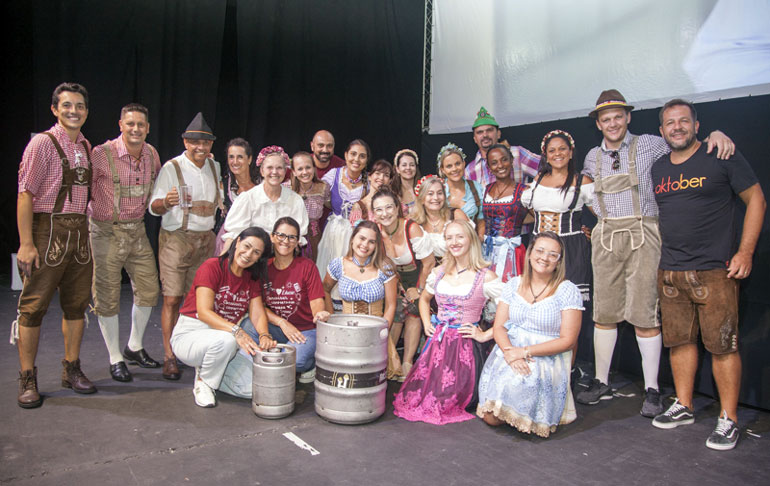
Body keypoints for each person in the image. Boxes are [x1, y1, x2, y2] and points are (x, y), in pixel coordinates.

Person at [576, 89, 735, 418]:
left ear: (628, 117)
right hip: (607, 235)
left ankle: (652, 388)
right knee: (604, 311)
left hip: (643, 232)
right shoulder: (592, 156)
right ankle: (602, 380)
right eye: (606, 119)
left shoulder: (651, 143)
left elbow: (686, 145)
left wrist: (714, 135)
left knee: (644, 310)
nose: (613, 123)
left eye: (618, 116)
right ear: (598, 123)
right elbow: (586, 192)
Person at [650, 99, 765, 451]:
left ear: (697, 126)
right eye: (670, 123)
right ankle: (684, 405)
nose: (678, 127)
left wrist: (745, 251)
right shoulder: (658, 168)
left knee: (723, 346)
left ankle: (728, 419)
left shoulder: (721, 155)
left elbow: (757, 199)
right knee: (680, 342)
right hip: (671, 270)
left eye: (684, 121)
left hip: (716, 271)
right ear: (662, 130)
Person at [15, 82, 96, 408]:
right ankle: (26, 376)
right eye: (66, 105)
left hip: (79, 233)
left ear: (86, 111)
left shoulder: (86, 146)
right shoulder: (42, 144)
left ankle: (71, 368)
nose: (73, 111)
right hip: (47, 230)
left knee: (77, 305)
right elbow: (25, 194)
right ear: (54, 109)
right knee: (33, 307)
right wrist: (26, 243)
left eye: (79, 106)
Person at [393, 220, 501, 424]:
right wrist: (426, 324)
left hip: (466, 348)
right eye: (449, 237)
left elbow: (511, 307)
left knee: (449, 398)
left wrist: (487, 334)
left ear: (471, 239)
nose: (454, 242)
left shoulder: (485, 276)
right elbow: (424, 299)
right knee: (421, 397)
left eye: (460, 236)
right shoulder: (439, 272)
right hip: (438, 345)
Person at [477, 232, 584, 438]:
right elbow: (499, 327)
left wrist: (524, 352)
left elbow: (568, 340)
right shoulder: (513, 284)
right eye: (540, 251)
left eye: (553, 255)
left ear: (559, 261)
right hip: (511, 349)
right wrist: (509, 352)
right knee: (491, 416)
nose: (545, 258)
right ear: (529, 253)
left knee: (524, 398)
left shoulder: (567, 290)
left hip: (546, 355)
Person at [89, 103, 162, 382]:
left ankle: (134, 347)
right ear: (121, 125)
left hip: (137, 230)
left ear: (147, 127)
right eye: (130, 124)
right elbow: (85, 191)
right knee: (106, 296)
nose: (135, 129)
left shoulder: (151, 154)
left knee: (148, 289)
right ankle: (114, 357)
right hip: (106, 231)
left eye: (140, 124)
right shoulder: (100, 154)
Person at [149, 112, 223, 381]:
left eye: (205, 143)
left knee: (200, 302)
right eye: (194, 142)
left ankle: (193, 351)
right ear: (185, 142)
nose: (200, 148)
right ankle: (169, 355)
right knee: (172, 298)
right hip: (177, 239)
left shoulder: (215, 167)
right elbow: (153, 207)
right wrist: (166, 202)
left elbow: (220, 200)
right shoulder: (172, 168)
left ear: (211, 144)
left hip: (206, 241)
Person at [170, 227, 276, 407]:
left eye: (256, 252)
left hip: (224, 339)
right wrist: (237, 331)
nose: (248, 254)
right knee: (227, 341)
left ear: (260, 257)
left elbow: (257, 313)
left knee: (253, 388)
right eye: (247, 246)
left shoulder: (252, 278)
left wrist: (265, 335)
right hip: (192, 333)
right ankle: (204, 383)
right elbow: (204, 312)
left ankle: (211, 369)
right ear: (238, 241)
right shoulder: (212, 266)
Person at [249, 217, 328, 384]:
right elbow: (259, 307)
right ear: (272, 237)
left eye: (292, 237)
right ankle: (275, 357)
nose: (286, 241)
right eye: (281, 235)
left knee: (296, 360)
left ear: (298, 242)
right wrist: (282, 323)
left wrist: (320, 314)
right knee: (247, 327)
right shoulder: (263, 268)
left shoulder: (307, 266)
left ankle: (311, 363)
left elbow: (317, 304)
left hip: (305, 331)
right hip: (278, 328)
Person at [371, 188, 435, 380]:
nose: (385, 213)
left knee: (414, 309)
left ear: (397, 207)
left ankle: (407, 362)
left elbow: (429, 263)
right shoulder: (377, 232)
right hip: (395, 279)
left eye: (389, 207)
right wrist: (396, 286)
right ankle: (390, 361)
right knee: (395, 309)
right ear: (374, 214)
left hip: (421, 275)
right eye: (379, 210)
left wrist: (420, 289)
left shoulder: (411, 228)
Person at [522, 130, 593, 301]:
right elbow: (533, 210)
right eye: (552, 150)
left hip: (569, 248)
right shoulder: (538, 179)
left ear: (570, 152)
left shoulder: (582, 182)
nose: (557, 154)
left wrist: (594, 233)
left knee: (569, 301)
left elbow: (602, 213)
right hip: (538, 247)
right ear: (546, 155)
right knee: (540, 298)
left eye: (562, 149)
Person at [222, 145, 309, 252]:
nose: (274, 172)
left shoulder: (295, 200)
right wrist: (222, 264)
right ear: (262, 171)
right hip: (252, 259)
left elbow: (297, 239)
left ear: (285, 171)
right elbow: (233, 235)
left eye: (279, 168)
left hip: (283, 258)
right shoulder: (248, 198)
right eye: (269, 168)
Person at [322, 220, 398, 326]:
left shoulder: (385, 268)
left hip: (375, 331)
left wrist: (382, 332)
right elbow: (324, 290)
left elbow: (390, 306)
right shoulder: (338, 265)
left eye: (371, 242)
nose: (365, 245)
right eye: (362, 238)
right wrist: (331, 319)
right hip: (346, 331)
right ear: (352, 238)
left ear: (376, 245)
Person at [315, 139, 370, 284]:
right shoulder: (334, 175)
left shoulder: (369, 182)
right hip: (334, 233)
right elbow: (318, 192)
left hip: (357, 236)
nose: (356, 159)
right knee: (329, 274)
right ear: (345, 155)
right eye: (353, 154)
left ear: (366, 160)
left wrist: (360, 203)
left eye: (362, 156)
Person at [481, 144, 531, 283]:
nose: (500, 165)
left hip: (511, 253)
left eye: (504, 160)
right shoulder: (486, 189)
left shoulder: (524, 191)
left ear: (511, 160)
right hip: (487, 251)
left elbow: (538, 216)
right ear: (489, 167)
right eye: (494, 163)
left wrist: (517, 217)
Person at [464, 106, 541, 189]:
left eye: (489, 130)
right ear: (475, 139)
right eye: (480, 132)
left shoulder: (517, 153)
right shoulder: (470, 171)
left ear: (498, 134)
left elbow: (549, 169)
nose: (485, 135)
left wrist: (528, 188)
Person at [214, 138, 259, 256]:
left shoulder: (261, 185)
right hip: (228, 242)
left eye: (240, 157)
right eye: (231, 157)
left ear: (249, 159)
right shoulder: (223, 185)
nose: (235, 161)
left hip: (255, 240)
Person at [411, 175, 469, 264]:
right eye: (430, 194)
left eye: (439, 193)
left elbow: (470, 247)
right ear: (422, 199)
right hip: (427, 271)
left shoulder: (456, 215)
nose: (436, 198)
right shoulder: (414, 223)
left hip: (457, 268)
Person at [289, 151, 330, 261]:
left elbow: (332, 206)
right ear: (293, 172)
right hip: (292, 238)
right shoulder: (286, 189)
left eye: (308, 167)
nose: (305, 172)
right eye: (300, 169)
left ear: (314, 168)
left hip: (314, 237)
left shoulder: (323, 187)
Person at [438, 143, 484, 228]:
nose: (454, 169)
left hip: (471, 237)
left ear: (463, 164)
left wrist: (479, 238)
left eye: (457, 164)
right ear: (443, 170)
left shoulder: (476, 187)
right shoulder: (438, 189)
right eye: (449, 166)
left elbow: (481, 219)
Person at [348, 159, 395, 224]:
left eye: (386, 175)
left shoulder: (393, 203)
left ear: (390, 181)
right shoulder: (359, 206)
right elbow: (355, 231)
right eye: (377, 173)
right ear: (369, 176)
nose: (381, 178)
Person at [391, 149, 421, 216]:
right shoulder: (391, 191)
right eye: (404, 165)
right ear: (397, 169)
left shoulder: (423, 189)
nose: (408, 168)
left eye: (412, 165)